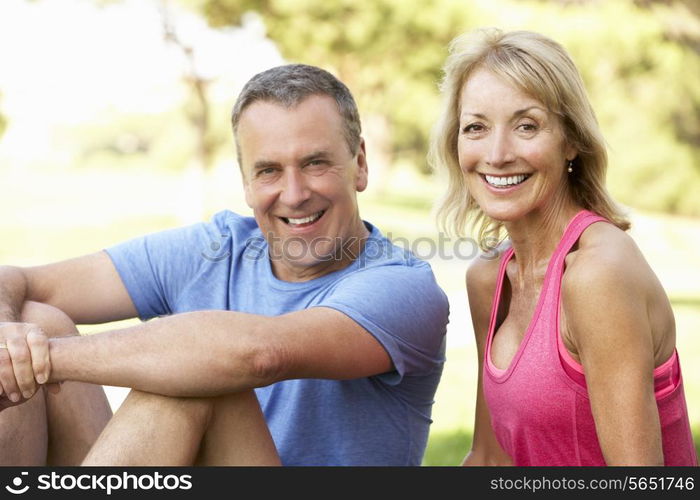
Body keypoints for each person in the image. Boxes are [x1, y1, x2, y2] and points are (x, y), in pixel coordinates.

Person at [0, 64, 448, 466]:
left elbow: (260, 356)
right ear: (246, 183)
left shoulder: (404, 288)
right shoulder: (216, 248)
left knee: (201, 381)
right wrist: (11, 348)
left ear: (360, 164)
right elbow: (13, 281)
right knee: (34, 318)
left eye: (315, 163)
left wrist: (46, 360)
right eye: (269, 170)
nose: (293, 194)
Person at [430, 28, 697, 466]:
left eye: (526, 126)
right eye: (475, 127)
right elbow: (489, 460)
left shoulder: (598, 274)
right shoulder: (488, 280)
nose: (496, 154)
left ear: (571, 140)